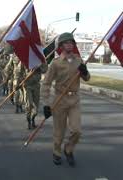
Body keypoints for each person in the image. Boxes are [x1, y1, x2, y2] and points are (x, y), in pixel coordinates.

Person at [41, 32, 90, 167]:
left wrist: (85, 72)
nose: (69, 45)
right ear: (61, 46)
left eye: (71, 42)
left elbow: (87, 78)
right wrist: (46, 104)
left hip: (74, 99)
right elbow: (46, 83)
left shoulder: (78, 60)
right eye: (66, 43)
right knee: (59, 131)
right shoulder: (56, 64)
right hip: (60, 99)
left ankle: (68, 149)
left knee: (76, 130)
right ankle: (56, 152)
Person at [23, 63, 48, 129]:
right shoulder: (25, 59)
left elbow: (45, 70)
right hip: (27, 86)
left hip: (36, 86)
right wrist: (18, 83)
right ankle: (29, 121)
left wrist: (39, 68)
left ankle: (33, 118)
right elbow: (19, 72)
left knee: (36, 108)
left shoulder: (40, 60)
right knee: (29, 104)